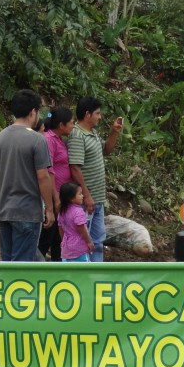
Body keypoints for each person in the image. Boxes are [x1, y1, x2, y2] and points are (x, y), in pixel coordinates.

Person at [0, 88, 54, 261]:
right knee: (22, 269)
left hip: (4, 210)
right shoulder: (37, 139)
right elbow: (43, 177)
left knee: (8, 264)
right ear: (33, 112)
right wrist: (49, 208)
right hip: (26, 211)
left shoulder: (1, 136)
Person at [67, 96, 123, 262]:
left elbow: (106, 150)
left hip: (97, 200)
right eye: (97, 113)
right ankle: (83, 276)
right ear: (87, 114)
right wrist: (87, 194)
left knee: (97, 241)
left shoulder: (93, 133)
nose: (100, 117)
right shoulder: (77, 135)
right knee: (84, 241)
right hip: (86, 200)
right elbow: (75, 167)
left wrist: (114, 132)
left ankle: (96, 276)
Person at [38, 107, 73, 261]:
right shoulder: (49, 140)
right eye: (71, 122)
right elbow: (48, 170)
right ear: (61, 125)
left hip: (59, 195)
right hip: (53, 195)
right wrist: (56, 199)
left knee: (58, 239)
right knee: (47, 236)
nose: (73, 125)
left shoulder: (58, 139)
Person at [57, 182, 93, 262]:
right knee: (84, 272)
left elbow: (60, 228)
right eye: (80, 194)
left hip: (66, 248)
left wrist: (64, 241)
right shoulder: (78, 211)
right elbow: (81, 228)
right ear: (71, 198)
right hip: (79, 248)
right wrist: (89, 242)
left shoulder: (62, 211)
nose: (82, 196)